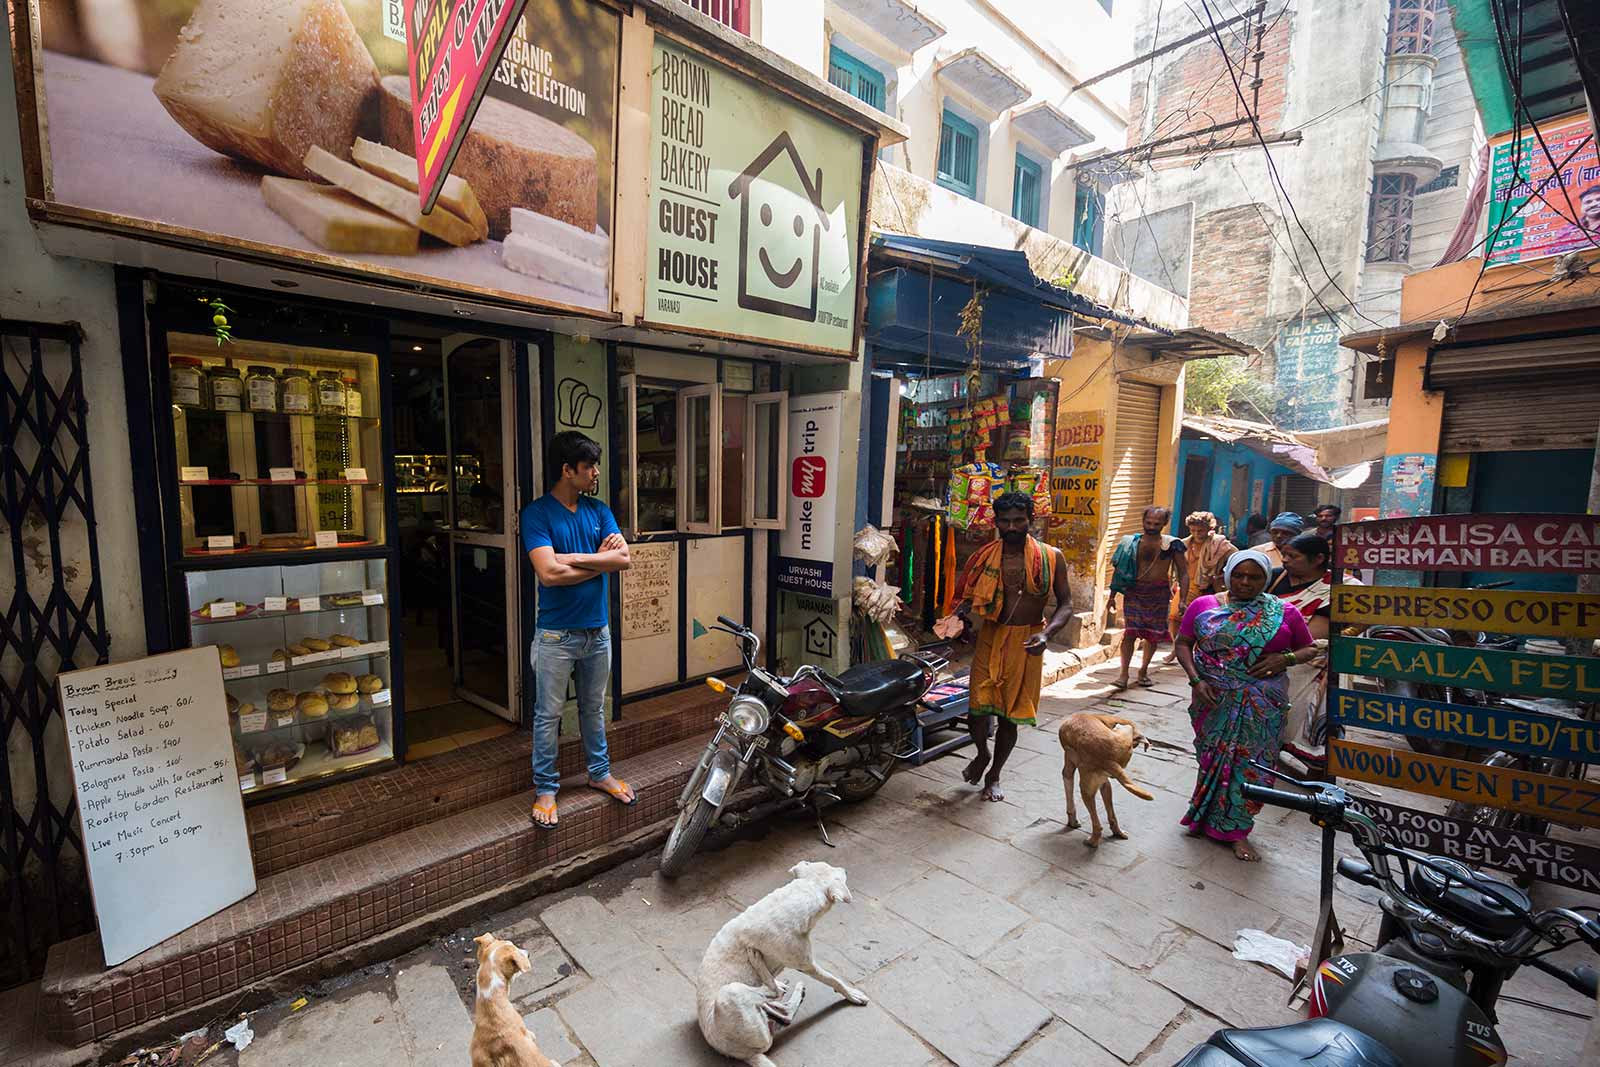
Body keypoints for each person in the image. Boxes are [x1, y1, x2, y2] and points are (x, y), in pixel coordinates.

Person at [522, 431, 635, 829]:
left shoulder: (599, 509)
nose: (595, 473)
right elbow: (549, 574)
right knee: (548, 714)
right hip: (555, 635)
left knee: (593, 709)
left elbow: (623, 560)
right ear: (567, 470)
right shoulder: (536, 514)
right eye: (589, 467)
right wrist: (597, 561)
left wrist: (573, 557)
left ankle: (599, 773)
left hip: (597, 632)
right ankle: (546, 788)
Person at [1174, 549, 1316, 861]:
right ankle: (1203, 817)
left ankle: (1237, 831)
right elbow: (1183, 643)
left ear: (1266, 579)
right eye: (1238, 575)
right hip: (1214, 698)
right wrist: (1197, 681)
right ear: (1227, 575)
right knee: (1212, 760)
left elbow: (1309, 649)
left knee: (1251, 767)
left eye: (1254, 577)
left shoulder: (1284, 611)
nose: (1245, 582)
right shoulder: (1204, 605)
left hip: (1262, 704)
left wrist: (1285, 658)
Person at [942, 492, 1072, 802]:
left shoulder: (1052, 556)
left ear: (1030, 519)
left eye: (1019, 520)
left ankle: (995, 774)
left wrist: (1047, 634)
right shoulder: (984, 556)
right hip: (991, 637)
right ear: (995, 522)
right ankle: (982, 754)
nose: (1012, 527)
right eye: (1005, 521)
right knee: (976, 709)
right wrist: (958, 621)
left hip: (1029, 641)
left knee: (1009, 717)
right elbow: (968, 598)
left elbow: (1066, 604)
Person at [1267, 533, 1345, 773]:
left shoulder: (1338, 588)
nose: (1286, 560)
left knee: (1299, 718)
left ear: (1318, 558)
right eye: (1285, 555)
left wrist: (1283, 653)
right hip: (1268, 656)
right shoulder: (1275, 577)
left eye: (1293, 556)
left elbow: (1314, 638)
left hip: (1308, 665)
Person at [1109, 506, 1188, 689]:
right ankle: (1123, 674)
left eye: (1156, 524)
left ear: (1164, 524)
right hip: (1134, 591)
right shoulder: (1131, 543)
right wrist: (1112, 596)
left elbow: (1183, 572)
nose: (1151, 526)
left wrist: (1182, 599)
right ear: (1143, 521)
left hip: (1158, 594)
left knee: (1152, 637)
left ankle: (1143, 670)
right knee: (1130, 633)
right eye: (1148, 522)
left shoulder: (1171, 545)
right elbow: (1119, 569)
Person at [1168, 511, 1236, 649]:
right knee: (1174, 617)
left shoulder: (1219, 544)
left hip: (1208, 588)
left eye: (1200, 530)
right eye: (1193, 530)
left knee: (1204, 621)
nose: (1197, 533)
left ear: (1209, 529)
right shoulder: (1183, 544)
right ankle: (1177, 647)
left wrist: (1221, 577)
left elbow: (1236, 559)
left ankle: (1195, 649)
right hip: (1187, 586)